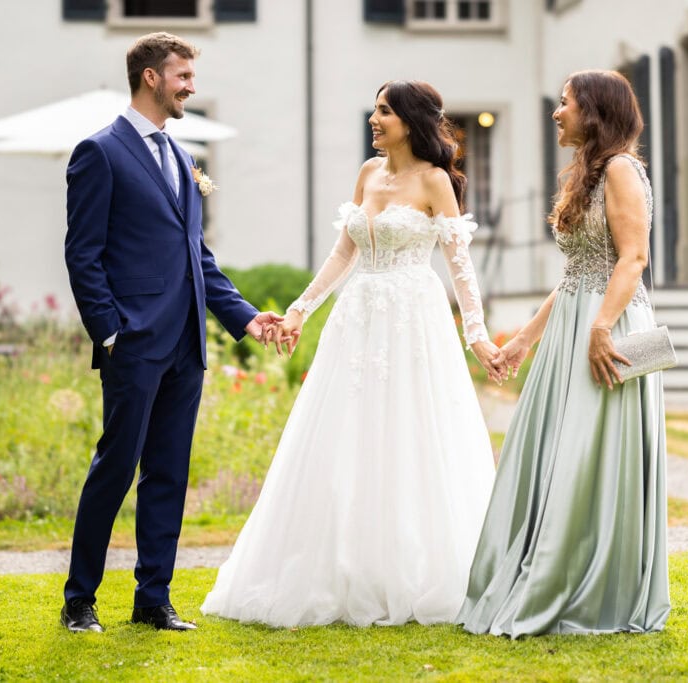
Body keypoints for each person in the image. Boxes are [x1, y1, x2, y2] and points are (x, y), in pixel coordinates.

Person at [201, 80, 504, 628]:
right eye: (374, 110)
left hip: (414, 318)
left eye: (384, 111)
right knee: (347, 432)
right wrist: (299, 310)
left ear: (410, 121)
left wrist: (477, 335)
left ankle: (417, 569)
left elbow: (460, 265)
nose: (374, 118)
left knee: (413, 434)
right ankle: (342, 566)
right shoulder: (368, 172)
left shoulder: (435, 181)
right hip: (359, 317)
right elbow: (344, 250)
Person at [61, 32, 281, 633]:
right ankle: (80, 599)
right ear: (152, 78)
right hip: (132, 344)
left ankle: (152, 599)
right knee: (115, 467)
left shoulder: (179, 156)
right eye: (183, 76)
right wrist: (109, 332)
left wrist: (243, 315)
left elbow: (196, 255)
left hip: (187, 343)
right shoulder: (99, 152)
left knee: (169, 474)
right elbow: (84, 255)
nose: (191, 87)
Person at [457, 70, 670, 637]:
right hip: (579, 320)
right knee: (552, 451)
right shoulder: (588, 174)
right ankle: (546, 570)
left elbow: (633, 259)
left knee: (589, 453)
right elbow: (576, 274)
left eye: (565, 103)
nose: (557, 112)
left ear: (594, 112)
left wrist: (601, 328)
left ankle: (594, 585)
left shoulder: (623, 169)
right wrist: (525, 338)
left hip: (612, 325)